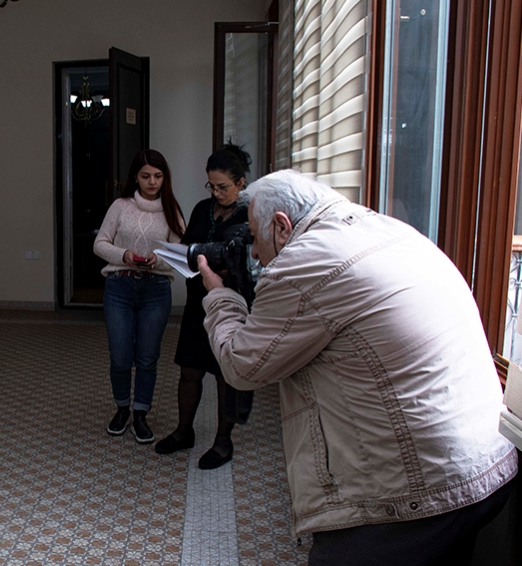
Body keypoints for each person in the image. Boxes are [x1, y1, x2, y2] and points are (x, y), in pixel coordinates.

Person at [198, 169, 518, 565]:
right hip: (484, 463)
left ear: (282, 226)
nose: (255, 254)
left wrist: (220, 298)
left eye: (255, 238)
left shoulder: (308, 260)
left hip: (411, 493)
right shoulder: (392, 230)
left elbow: (242, 366)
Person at [154, 143, 251, 470]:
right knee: (190, 371)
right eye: (211, 185)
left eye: (223, 187)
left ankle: (224, 443)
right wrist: (177, 257)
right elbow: (187, 247)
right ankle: (184, 431)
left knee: (226, 375)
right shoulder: (200, 209)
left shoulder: (252, 214)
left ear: (240, 183)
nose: (216, 192)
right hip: (199, 302)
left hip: (232, 305)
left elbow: (254, 262)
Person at [93, 149, 185, 443]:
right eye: (145, 176)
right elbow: (99, 244)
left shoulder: (172, 209)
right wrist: (125, 255)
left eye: (158, 176)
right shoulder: (120, 206)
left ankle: (141, 413)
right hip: (119, 286)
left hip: (155, 290)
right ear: (135, 177)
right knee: (120, 356)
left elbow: (180, 253)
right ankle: (122, 409)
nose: (152, 182)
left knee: (147, 357)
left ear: (164, 178)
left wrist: (156, 261)